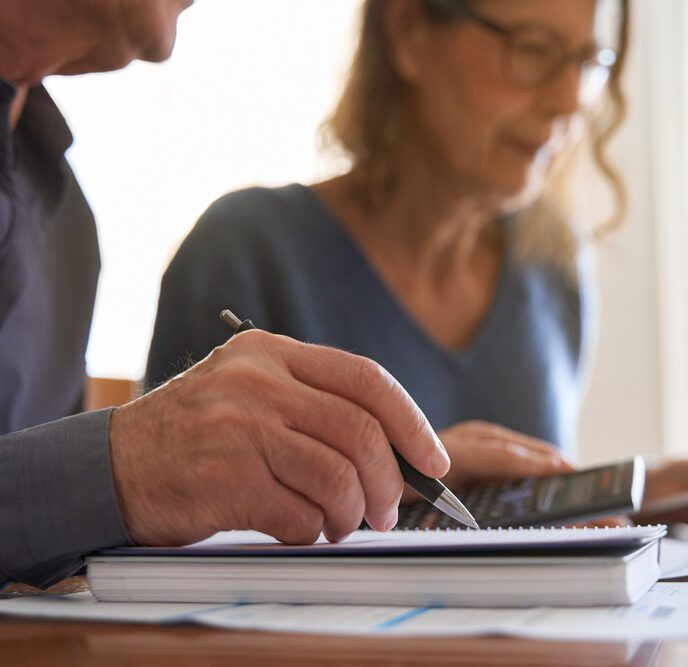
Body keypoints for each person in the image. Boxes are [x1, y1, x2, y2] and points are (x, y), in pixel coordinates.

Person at [146, 0, 688, 530]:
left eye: (587, 61)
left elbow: (496, 525)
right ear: (408, 32)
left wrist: (638, 491)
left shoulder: (553, 270)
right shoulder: (245, 252)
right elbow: (166, 531)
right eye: (535, 50)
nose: (569, 100)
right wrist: (397, 482)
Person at [0, 0, 516, 590]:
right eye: (530, 49)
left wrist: (362, 471)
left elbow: (37, 575)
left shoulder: (65, 222)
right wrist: (129, 467)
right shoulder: (234, 239)